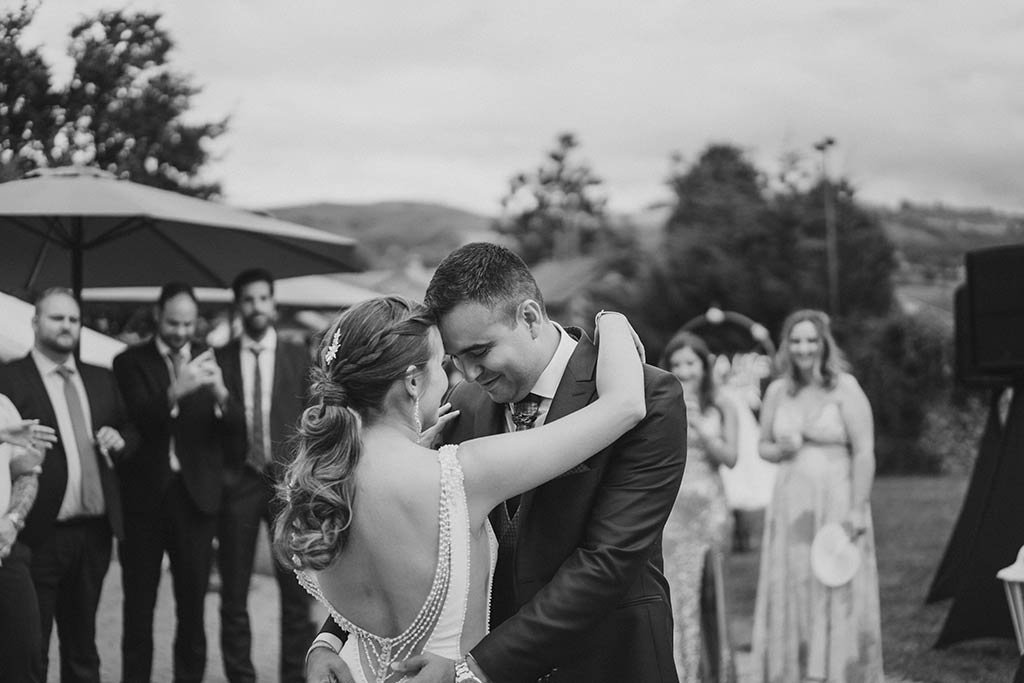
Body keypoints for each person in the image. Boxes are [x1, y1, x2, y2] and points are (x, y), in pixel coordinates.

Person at [306, 242, 686, 683]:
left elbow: (607, 562)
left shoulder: (649, 395)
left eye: (480, 352)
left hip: (609, 664)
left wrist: (480, 667)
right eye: (454, 359)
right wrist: (333, 636)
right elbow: (402, 532)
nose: (468, 374)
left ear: (528, 317)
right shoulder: (464, 403)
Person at [0, 287, 138, 683]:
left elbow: (133, 431)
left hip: (94, 532)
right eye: (57, 317)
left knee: (83, 649)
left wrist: (120, 439)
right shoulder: (9, 378)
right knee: (31, 650)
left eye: (74, 319)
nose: (66, 326)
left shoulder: (100, 378)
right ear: (35, 322)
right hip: (36, 533)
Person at [112, 283, 246, 683]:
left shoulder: (215, 358)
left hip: (196, 500)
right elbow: (136, 420)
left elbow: (238, 435)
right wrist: (176, 390)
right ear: (158, 315)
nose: (181, 332)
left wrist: (222, 394)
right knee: (138, 608)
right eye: (173, 322)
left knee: (192, 611)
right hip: (144, 501)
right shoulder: (129, 362)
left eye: (188, 323)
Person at [750, 309, 883, 683]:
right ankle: (799, 670)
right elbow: (762, 446)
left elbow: (864, 451)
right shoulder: (778, 390)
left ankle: (838, 671)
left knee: (834, 579)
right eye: (795, 340)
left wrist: (858, 509)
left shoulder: (845, 388)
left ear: (824, 344)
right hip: (791, 503)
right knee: (794, 581)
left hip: (838, 498)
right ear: (786, 346)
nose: (803, 348)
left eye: (810, 340)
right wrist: (780, 450)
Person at [217, 268, 314, 683]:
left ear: (272, 303)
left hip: (287, 487)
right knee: (233, 595)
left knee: (296, 592)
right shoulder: (218, 360)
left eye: (263, 299)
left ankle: (294, 676)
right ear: (238, 306)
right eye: (248, 300)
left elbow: (315, 421)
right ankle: (241, 676)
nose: (256, 307)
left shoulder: (298, 356)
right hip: (236, 483)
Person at [659, 332, 738, 683]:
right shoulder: (662, 403)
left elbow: (731, 458)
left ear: (704, 366)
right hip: (673, 512)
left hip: (710, 510)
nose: (683, 371)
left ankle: (716, 671)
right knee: (677, 593)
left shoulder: (722, 404)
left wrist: (704, 430)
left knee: (712, 593)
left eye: (690, 363)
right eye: (676, 364)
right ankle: (681, 671)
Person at [0, 395, 57, 682]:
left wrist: (13, 520)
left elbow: (24, 475)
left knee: (24, 657)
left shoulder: (3, 405)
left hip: (5, 550)